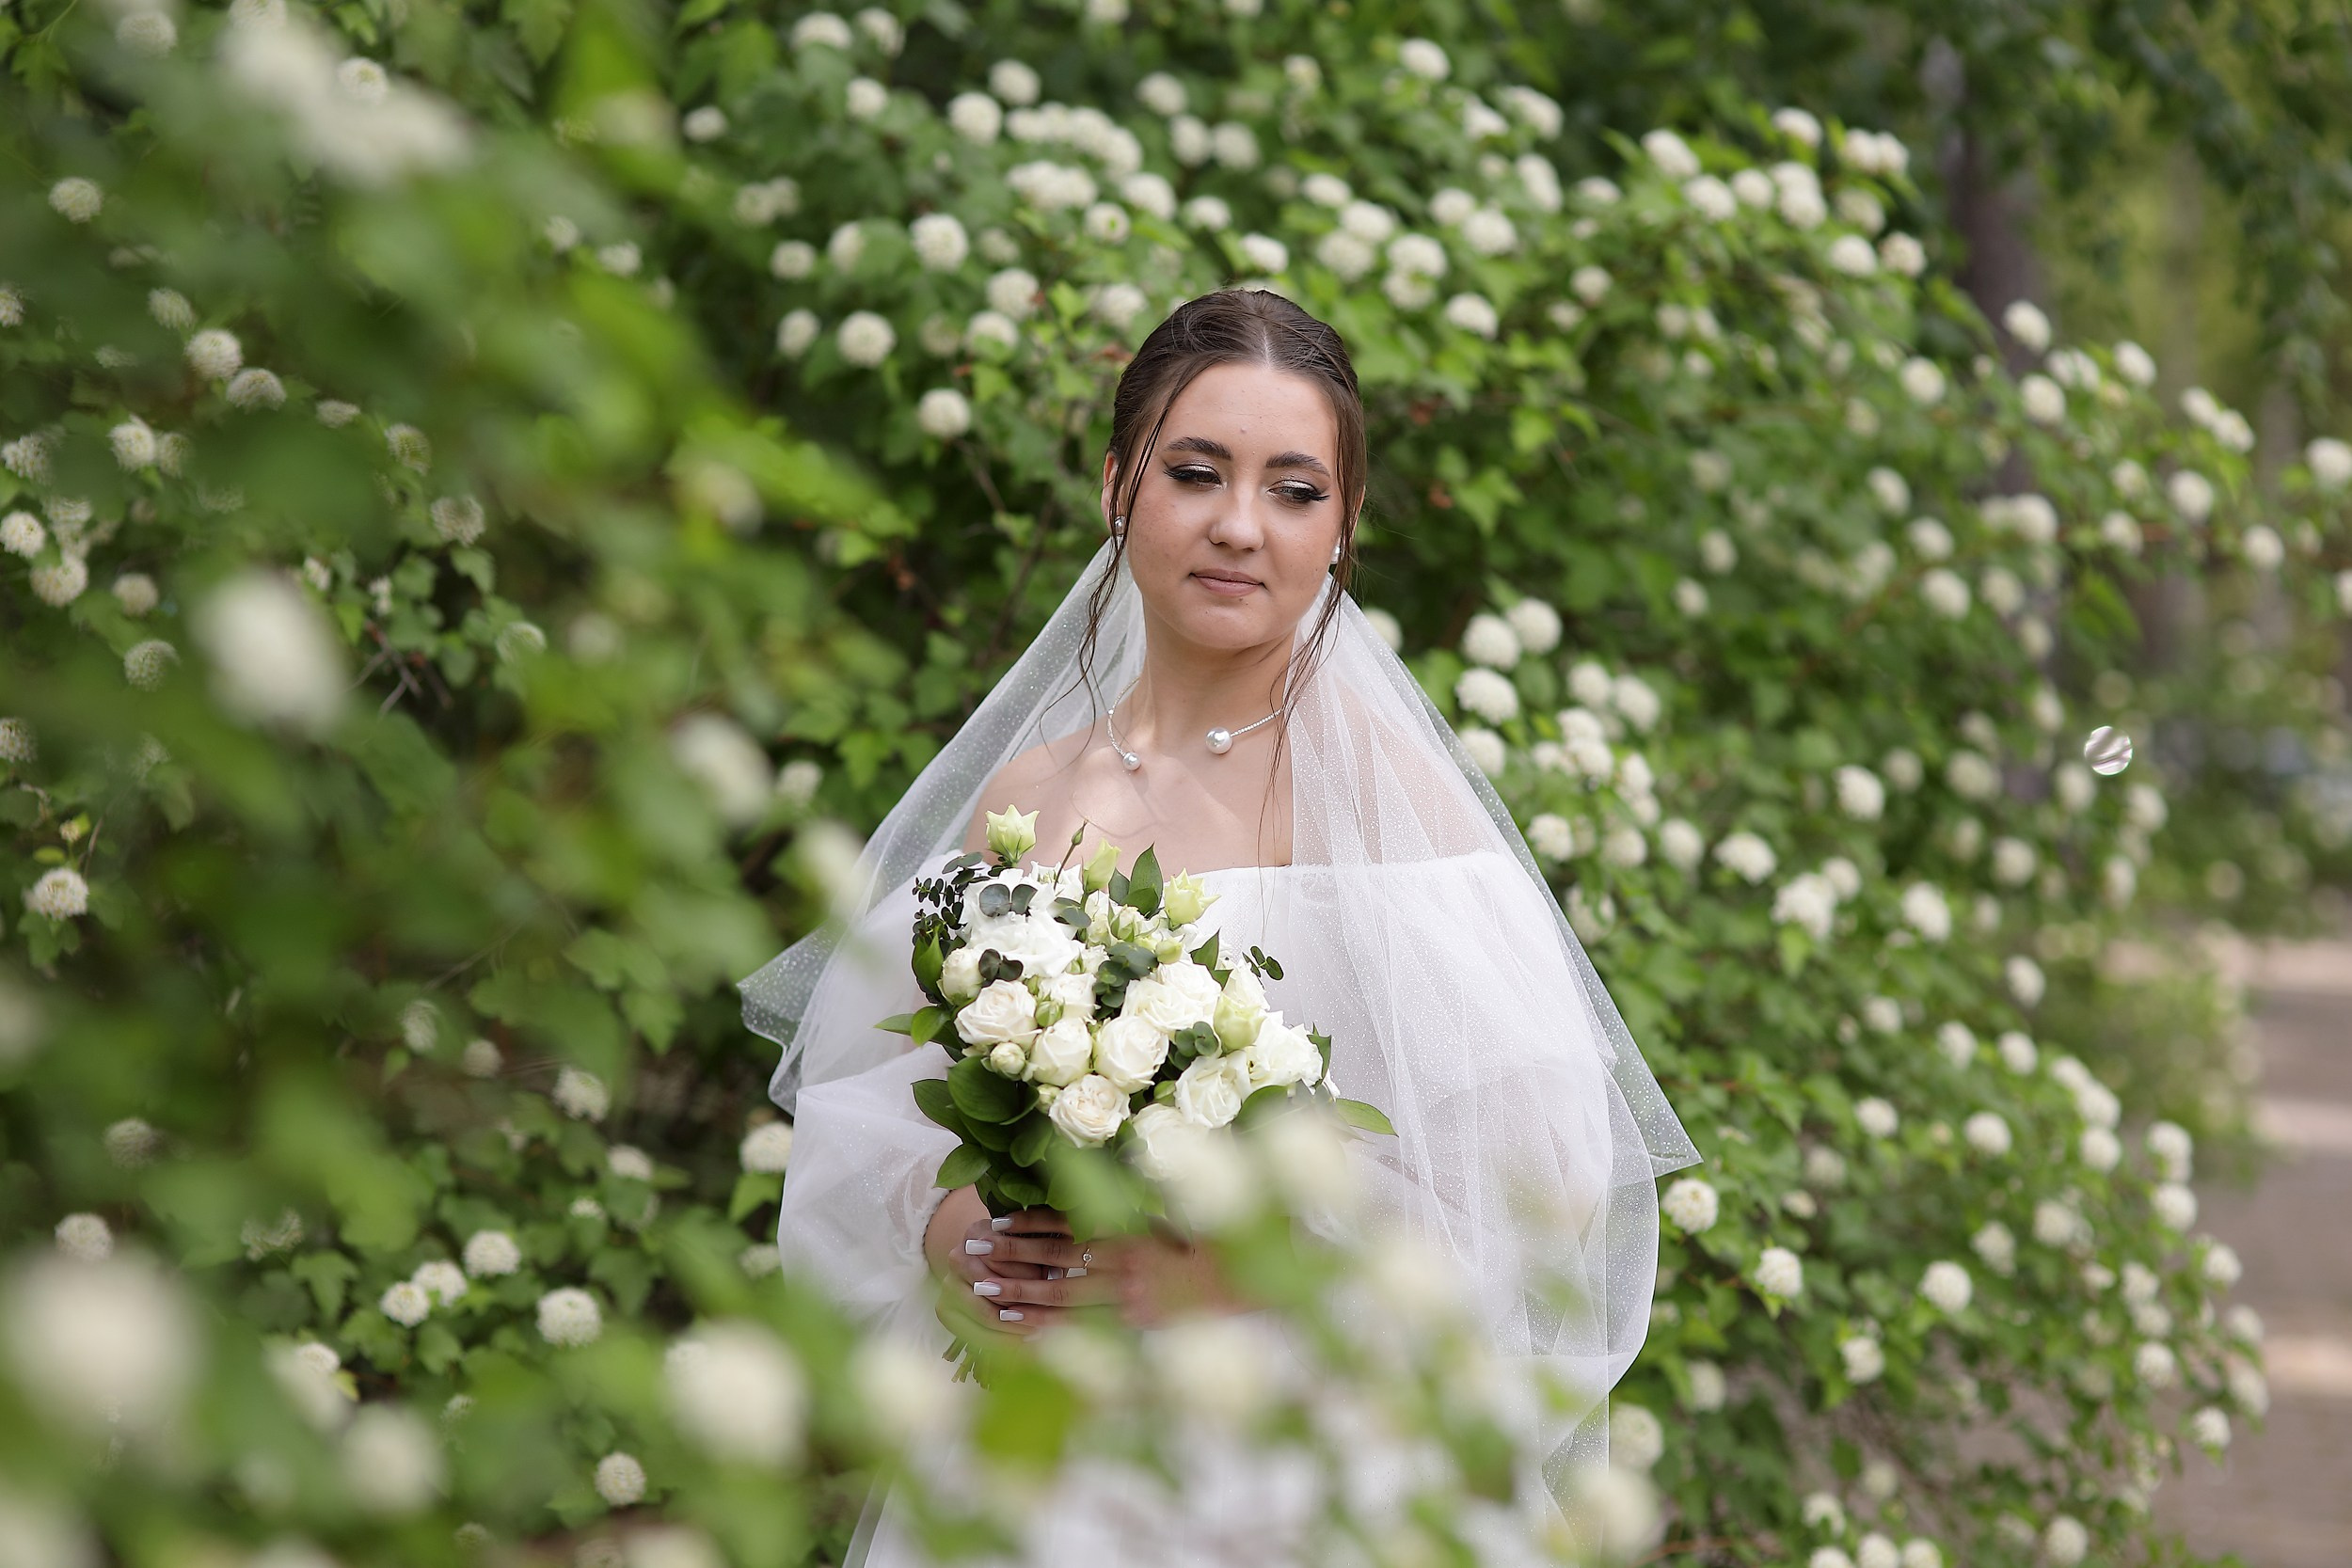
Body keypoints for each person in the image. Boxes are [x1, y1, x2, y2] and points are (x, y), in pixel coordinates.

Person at [738, 288, 1699, 1567]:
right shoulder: (1028, 804)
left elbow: (1542, 1188)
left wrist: (1231, 1273)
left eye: (1295, 490)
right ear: (1119, 488)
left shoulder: (1386, 807)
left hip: (1299, 1467)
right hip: (1044, 1459)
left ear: (1344, 527)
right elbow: (889, 1121)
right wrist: (966, 1239)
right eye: (1197, 473)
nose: (1240, 526)